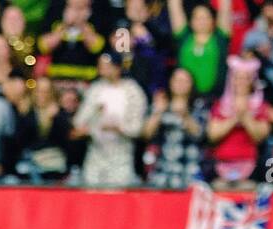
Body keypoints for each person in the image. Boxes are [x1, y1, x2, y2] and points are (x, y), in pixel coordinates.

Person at [74, 49, 147, 185]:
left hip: (121, 153)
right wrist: (93, 122)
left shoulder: (132, 90)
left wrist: (119, 128)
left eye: (107, 66)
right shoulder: (95, 90)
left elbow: (137, 127)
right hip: (96, 152)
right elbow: (79, 121)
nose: (103, 69)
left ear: (117, 67)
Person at [206, 54, 270, 186]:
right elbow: (212, 135)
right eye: (237, 77)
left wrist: (245, 116)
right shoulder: (219, 105)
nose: (241, 82)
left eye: (246, 78)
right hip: (221, 166)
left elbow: (260, 136)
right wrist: (235, 118)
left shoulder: (261, 106)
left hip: (251, 167)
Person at [144, 66, 210, 187]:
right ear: (170, 82)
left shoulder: (198, 105)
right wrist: (158, 111)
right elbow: (147, 134)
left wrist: (186, 116)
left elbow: (201, 135)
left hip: (189, 169)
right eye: (177, 80)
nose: (181, 84)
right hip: (162, 170)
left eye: (185, 81)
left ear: (191, 84)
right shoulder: (161, 104)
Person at [168, 0, 233, 98]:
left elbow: (225, 6)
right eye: (197, 17)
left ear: (213, 21)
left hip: (213, 97)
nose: (202, 21)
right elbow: (174, 6)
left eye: (206, 17)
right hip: (185, 98)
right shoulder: (184, 37)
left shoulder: (220, 39)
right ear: (191, 21)